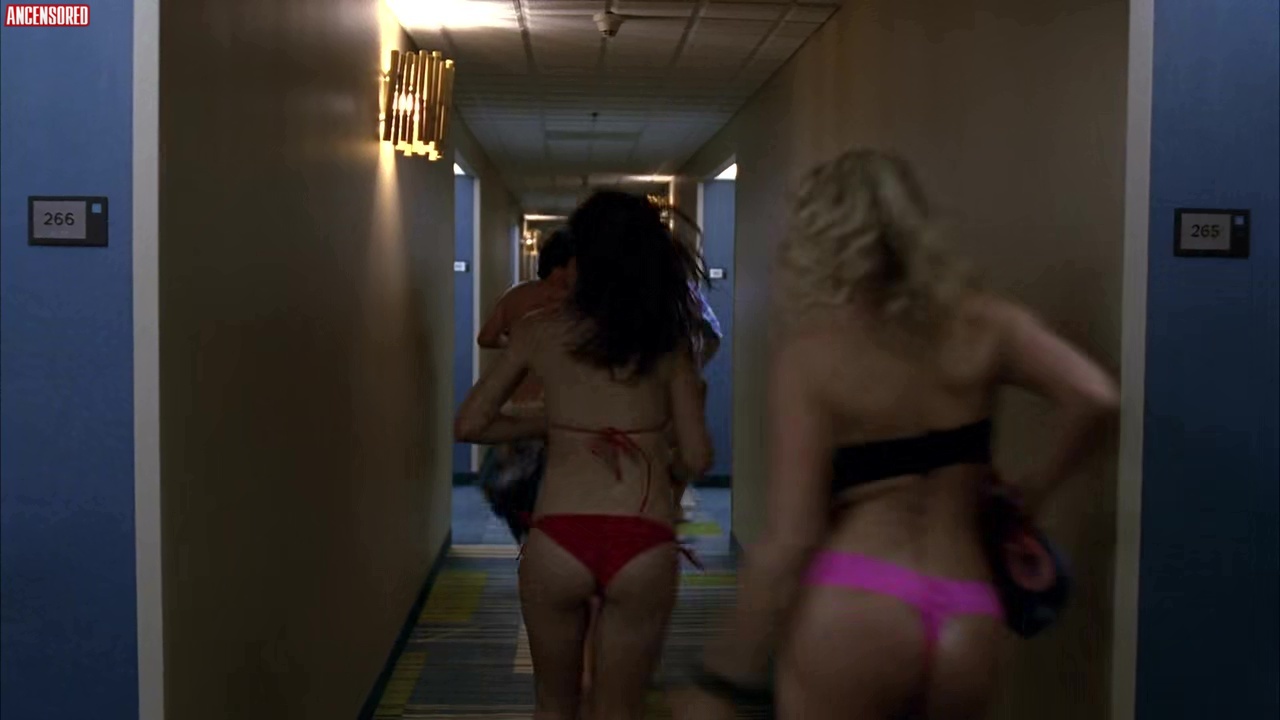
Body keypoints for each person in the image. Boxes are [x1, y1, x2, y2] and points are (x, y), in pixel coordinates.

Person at [676, 149, 1118, 720]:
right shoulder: (988, 325)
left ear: (821, 239)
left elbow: (792, 538)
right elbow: (1095, 396)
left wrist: (723, 676)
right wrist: (1038, 488)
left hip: (859, 595)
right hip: (968, 606)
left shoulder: (814, 355)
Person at [456, 190, 713, 720]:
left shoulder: (539, 330)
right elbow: (698, 455)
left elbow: (471, 424)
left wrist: (553, 424)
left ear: (583, 258)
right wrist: (655, 450)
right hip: (642, 535)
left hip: (558, 537)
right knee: (620, 709)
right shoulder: (669, 341)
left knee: (554, 704)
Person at [475, 228, 575, 544]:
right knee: (553, 491)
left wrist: (518, 348)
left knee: (517, 487)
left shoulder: (516, 296)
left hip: (516, 404)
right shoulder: (572, 303)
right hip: (554, 407)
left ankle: (529, 541)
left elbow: (486, 337)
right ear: (564, 265)